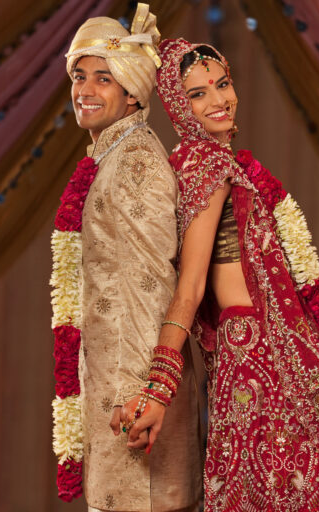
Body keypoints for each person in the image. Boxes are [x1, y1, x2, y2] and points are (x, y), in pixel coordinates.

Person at [123, 38, 319, 511]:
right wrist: (158, 388)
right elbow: (190, 288)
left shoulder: (211, 164)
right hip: (260, 361)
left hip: (271, 353)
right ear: (177, 105)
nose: (218, 100)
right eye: (197, 93)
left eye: (222, 84)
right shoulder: (206, 165)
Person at [50, 11, 201, 512]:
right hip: (120, 395)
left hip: (133, 404)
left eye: (103, 77)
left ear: (133, 92)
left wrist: (142, 393)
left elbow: (151, 282)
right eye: (79, 75)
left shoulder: (134, 162)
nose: (86, 89)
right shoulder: (111, 157)